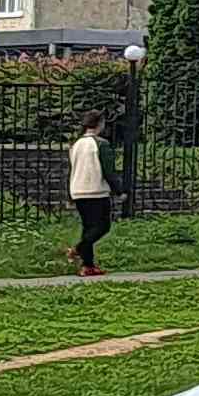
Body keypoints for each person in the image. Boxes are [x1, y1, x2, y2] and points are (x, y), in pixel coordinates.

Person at [67, 110, 116, 278]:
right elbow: (108, 170)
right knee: (103, 226)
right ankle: (77, 250)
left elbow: (73, 168)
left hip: (78, 190)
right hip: (96, 190)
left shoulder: (76, 144)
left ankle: (87, 266)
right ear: (100, 124)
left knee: (88, 227)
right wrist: (118, 189)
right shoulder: (101, 144)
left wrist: (70, 193)